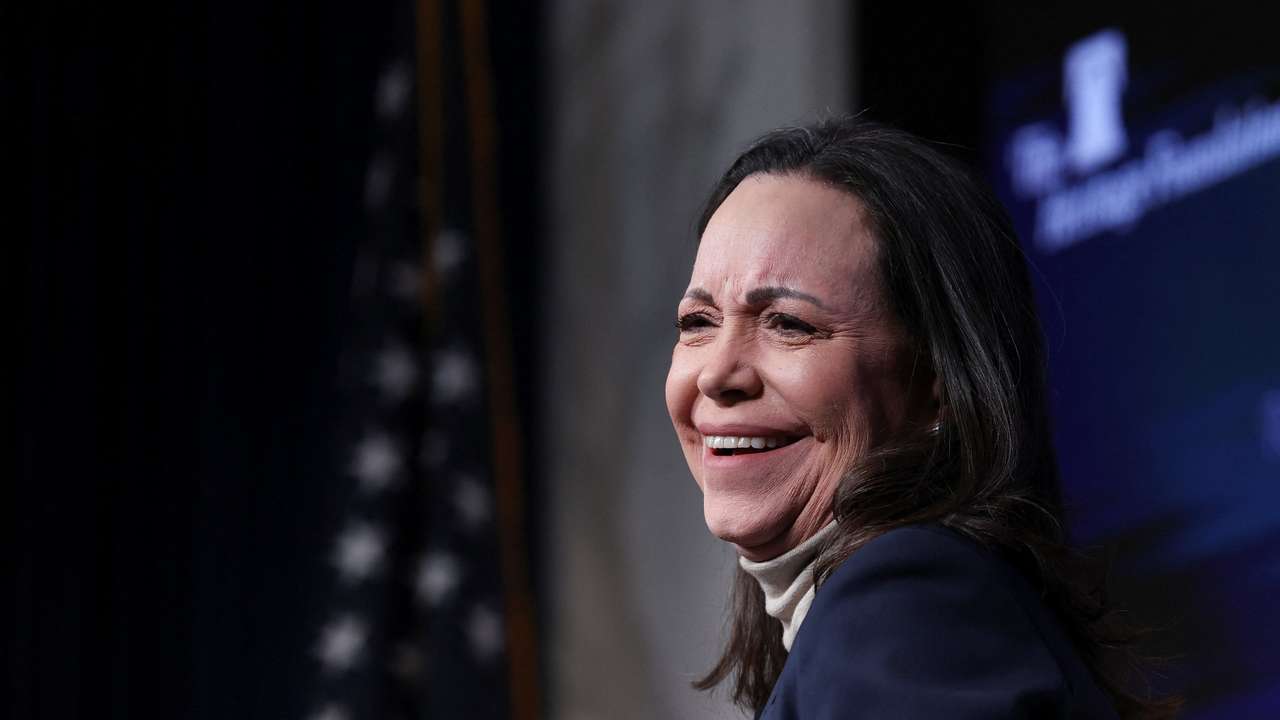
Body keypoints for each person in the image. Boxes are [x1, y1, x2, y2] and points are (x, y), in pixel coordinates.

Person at [664, 118, 1179, 719]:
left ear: (939, 381)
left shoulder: (906, 599)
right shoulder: (902, 612)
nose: (717, 374)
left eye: (790, 324)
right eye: (697, 323)